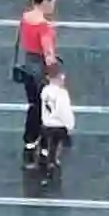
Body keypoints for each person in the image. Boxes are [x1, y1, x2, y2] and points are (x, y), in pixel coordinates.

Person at [15, 0, 59, 165]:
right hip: (40, 68)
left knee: (34, 104)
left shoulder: (26, 18)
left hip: (27, 65)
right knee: (47, 106)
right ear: (45, 2)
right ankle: (45, 145)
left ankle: (29, 141)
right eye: (53, 1)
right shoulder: (44, 26)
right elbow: (48, 53)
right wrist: (55, 73)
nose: (54, 5)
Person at [33, 59, 75, 189]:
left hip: (46, 125)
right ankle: (52, 165)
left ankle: (44, 163)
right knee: (56, 146)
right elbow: (64, 111)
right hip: (59, 126)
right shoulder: (62, 93)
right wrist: (70, 126)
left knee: (46, 144)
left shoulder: (45, 91)